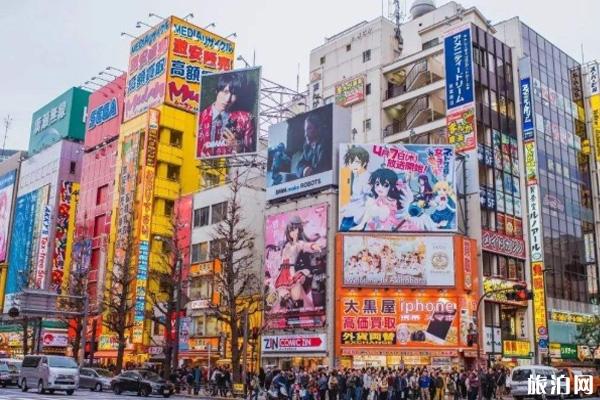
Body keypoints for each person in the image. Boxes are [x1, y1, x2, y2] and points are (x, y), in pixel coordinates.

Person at [197, 72, 256, 157]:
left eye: (233, 94)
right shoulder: (199, 118)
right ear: (217, 91)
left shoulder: (245, 119)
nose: (228, 99)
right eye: (225, 92)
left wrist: (239, 148)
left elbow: (252, 155)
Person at [340, 145, 371, 231]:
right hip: (349, 214)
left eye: (356, 162)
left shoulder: (366, 177)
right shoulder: (352, 175)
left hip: (359, 217)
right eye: (351, 162)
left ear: (364, 163)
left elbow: (370, 199)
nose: (353, 165)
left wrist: (361, 221)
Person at [296, 113, 327, 178]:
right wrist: (304, 169)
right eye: (305, 130)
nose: (305, 134)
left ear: (317, 129)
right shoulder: (307, 147)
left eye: (309, 128)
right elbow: (299, 165)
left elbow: (322, 168)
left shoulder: (324, 145)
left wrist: (310, 171)